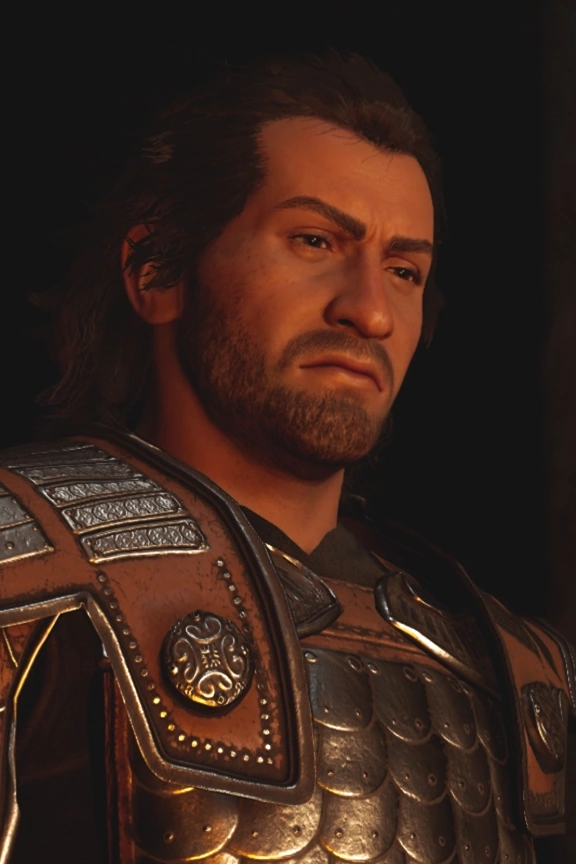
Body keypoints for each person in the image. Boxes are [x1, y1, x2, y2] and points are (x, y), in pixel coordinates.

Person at [0, 51, 573, 863]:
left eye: (404, 270)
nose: (371, 311)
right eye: (314, 240)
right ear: (156, 271)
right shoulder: (23, 577)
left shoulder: (508, 664)